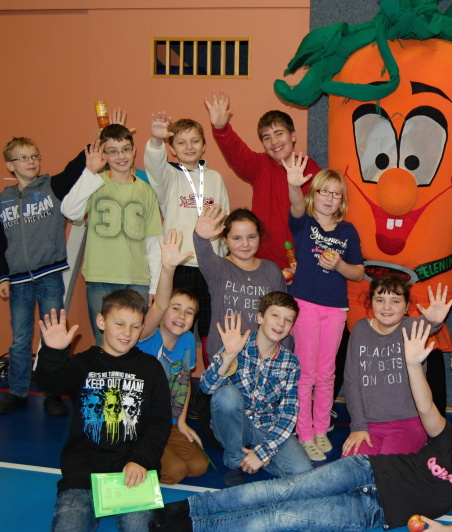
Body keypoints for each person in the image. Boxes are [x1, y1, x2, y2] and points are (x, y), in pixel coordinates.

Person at [149, 320, 452, 532]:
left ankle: (194, 526)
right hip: (364, 469)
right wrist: (412, 366)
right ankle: (185, 509)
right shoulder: (443, 436)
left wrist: (448, 531)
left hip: (372, 511)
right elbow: (424, 406)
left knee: (280, 520)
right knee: (275, 492)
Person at [36, 294, 171, 532]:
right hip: (83, 473)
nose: (127, 332)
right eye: (119, 323)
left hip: (133, 471)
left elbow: (160, 421)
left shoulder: (151, 367)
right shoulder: (82, 364)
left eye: (135, 326)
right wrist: (54, 353)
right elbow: (50, 384)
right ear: (101, 321)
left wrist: (141, 460)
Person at [0, 136, 88, 416]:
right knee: (20, 339)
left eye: (34, 156)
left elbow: (74, 167)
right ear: (10, 165)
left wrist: (100, 139)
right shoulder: (1, 202)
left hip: (49, 277)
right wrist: (3, 277)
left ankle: (53, 393)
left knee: (53, 337)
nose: (31, 161)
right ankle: (17, 392)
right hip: (18, 282)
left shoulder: (51, 188)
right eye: (23, 157)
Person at [285, 156, 364, 461]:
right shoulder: (304, 223)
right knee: (306, 373)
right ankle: (304, 433)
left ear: (342, 200)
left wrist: (339, 265)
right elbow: (295, 206)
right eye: (324, 192)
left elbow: (358, 272)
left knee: (327, 374)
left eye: (336, 194)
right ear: (313, 194)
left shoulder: (348, 231)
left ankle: (320, 429)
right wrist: (294, 185)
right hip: (305, 304)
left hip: (335, 309)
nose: (330, 198)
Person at [190, 205, 287, 449]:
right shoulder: (218, 268)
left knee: (257, 432)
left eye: (251, 236)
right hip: (227, 359)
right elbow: (203, 250)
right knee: (224, 429)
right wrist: (200, 236)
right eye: (236, 238)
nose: (245, 244)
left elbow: (282, 315)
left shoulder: (272, 270)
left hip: (261, 363)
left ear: (259, 237)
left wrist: (283, 355)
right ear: (225, 240)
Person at [61, 124, 163, 344]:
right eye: (113, 152)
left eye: (125, 149)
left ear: (134, 150)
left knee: (134, 342)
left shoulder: (146, 191)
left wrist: (155, 284)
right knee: (104, 343)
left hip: (136, 279)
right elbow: (69, 211)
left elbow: (154, 241)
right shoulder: (95, 183)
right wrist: (89, 172)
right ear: (104, 155)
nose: (121, 156)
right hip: (100, 277)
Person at [198, 292, 312, 487]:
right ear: (260, 317)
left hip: (265, 425)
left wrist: (262, 454)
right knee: (226, 395)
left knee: (302, 471)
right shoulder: (238, 344)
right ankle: (235, 463)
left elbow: (288, 413)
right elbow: (206, 387)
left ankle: (253, 457)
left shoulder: (290, 362)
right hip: (234, 425)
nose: (281, 323)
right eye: (275, 315)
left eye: (288, 320)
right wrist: (229, 355)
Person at [144, 113, 230, 365]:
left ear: (204, 146)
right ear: (172, 149)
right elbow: (154, 166)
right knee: (175, 327)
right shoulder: (168, 177)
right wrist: (156, 141)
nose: (189, 147)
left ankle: (211, 380)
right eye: (181, 142)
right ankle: (171, 377)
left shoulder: (215, 178)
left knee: (211, 328)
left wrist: (225, 260)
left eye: (195, 141)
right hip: (179, 266)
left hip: (210, 267)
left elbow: (224, 221)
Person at [205, 90, 321, 269]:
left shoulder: (313, 172)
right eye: (267, 137)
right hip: (262, 265)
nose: (274, 142)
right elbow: (237, 152)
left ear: (293, 136)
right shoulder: (260, 166)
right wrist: (221, 129)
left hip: (303, 265)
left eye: (279, 133)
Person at [342, 274, 452, 458]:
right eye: (380, 300)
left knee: (388, 468)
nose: (387, 307)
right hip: (368, 425)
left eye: (395, 301)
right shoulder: (361, 329)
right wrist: (358, 426)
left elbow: (428, 325)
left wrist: (435, 321)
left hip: (408, 424)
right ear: (371, 303)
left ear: (406, 307)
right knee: (352, 467)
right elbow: (351, 382)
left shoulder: (411, 327)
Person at [135, 228, 209, 486]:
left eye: (189, 313)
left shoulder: (187, 340)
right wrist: (167, 269)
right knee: (174, 472)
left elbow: (184, 382)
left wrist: (182, 422)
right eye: (175, 308)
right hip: (140, 424)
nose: (181, 316)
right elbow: (158, 304)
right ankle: (128, 456)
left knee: (198, 466)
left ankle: (160, 449)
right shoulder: (146, 335)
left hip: (168, 422)